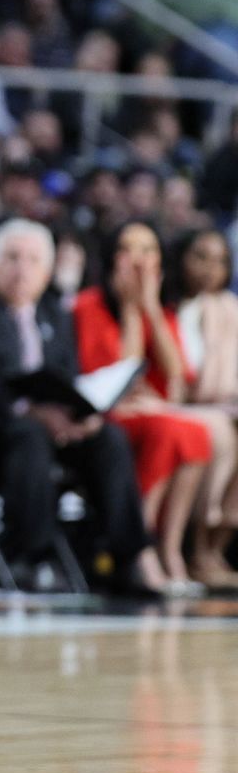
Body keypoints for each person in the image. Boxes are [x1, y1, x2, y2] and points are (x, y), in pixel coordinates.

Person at [0, 220, 162, 594]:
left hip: (52, 425)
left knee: (108, 438)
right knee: (30, 434)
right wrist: (25, 409)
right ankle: (33, 557)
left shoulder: (53, 310)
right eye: (11, 258)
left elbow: (67, 374)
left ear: (46, 271)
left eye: (32, 260)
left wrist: (83, 415)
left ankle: (127, 558)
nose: (21, 268)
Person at [71, 223, 213, 594]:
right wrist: (133, 309)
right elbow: (120, 377)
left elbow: (177, 373)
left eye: (149, 250)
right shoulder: (90, 305)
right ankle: (137, 548)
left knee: (194, 431)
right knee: (173, 430)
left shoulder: (161, 309)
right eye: (128, 249)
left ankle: (169, 549)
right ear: (111, 258)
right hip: (100, 417)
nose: (139, 260)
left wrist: (149, 306)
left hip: (145, 415)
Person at [166, 228, 238, 589]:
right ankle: (197, 545)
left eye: (221, 260)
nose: (212, 268)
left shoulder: (229, 309)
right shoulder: (168, 305)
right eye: (202, 257)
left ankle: (217, 544)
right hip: (174, 406)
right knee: (219, 432)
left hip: (220, 406)